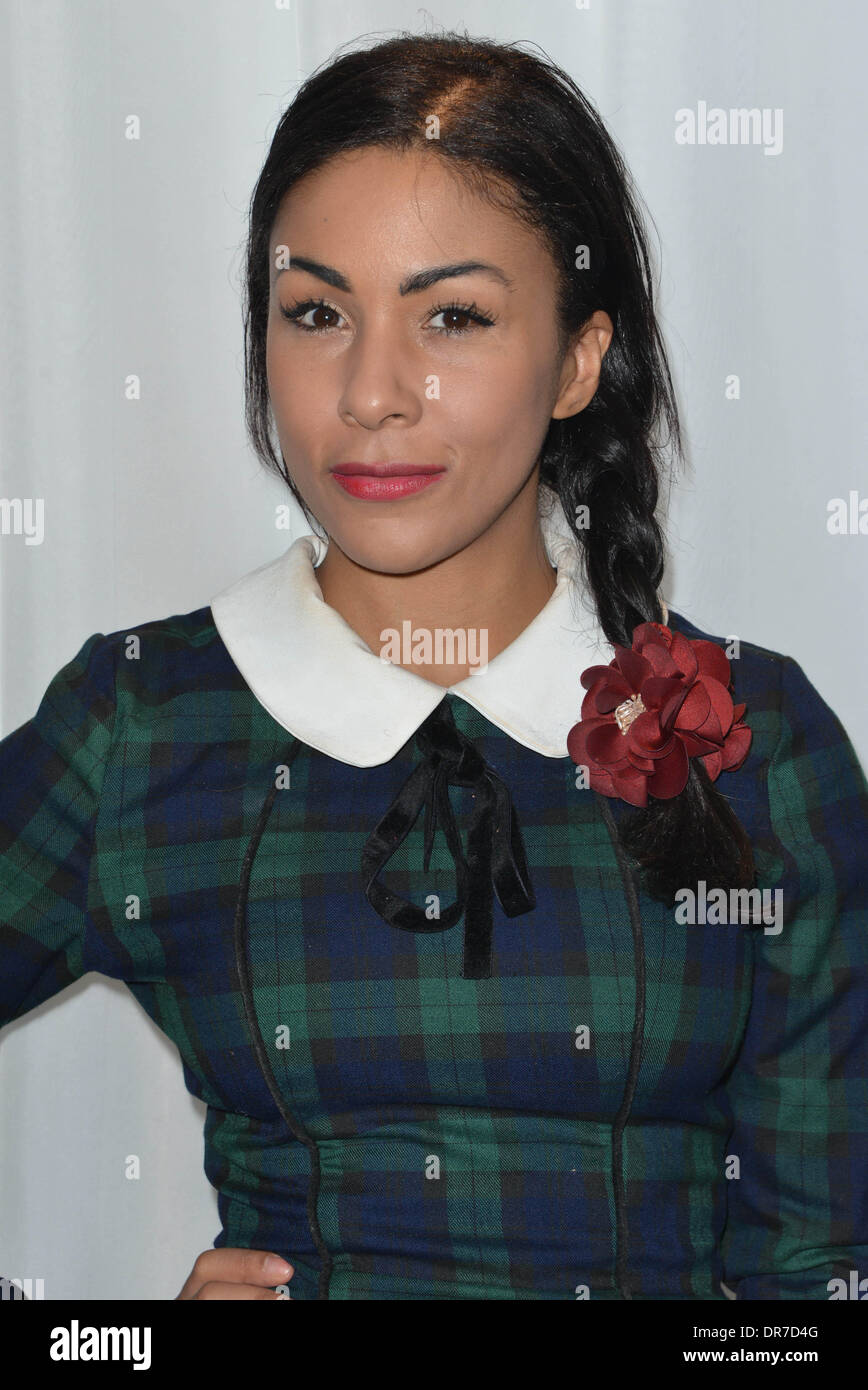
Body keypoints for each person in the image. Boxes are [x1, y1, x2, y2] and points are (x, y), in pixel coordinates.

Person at [2, 30, 867, 1302]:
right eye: (317, 314)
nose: (370, 393)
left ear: (579, 359)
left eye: (451, 316)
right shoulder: (141, 721)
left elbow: (822, 1276)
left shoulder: (754, 735)